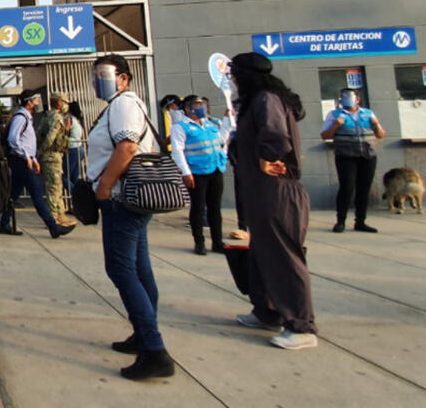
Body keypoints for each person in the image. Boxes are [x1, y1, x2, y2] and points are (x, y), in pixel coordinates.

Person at [86, 55, 174, 380]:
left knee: (121, 269)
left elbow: (127, 147)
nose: (97, 81)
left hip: (123, 198)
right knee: (139, 268)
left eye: (103, 75)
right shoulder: (120, 104)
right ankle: (143, 333)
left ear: (123, 78)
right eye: (94, 76)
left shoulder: (124, 104)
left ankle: (154, 350)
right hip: (129, 198)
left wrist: (104, 188)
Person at [230, 52, 318, 350]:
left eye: (234, 74)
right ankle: (267, 311)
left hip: (276, 189)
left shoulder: (266, 99)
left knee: (283, 257)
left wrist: (268, 158)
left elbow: (276, 136)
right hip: (259, 190)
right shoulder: (257, 101)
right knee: (261, 254)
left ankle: (301, 326)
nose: (231, 80)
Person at [3, 90, 73, 238]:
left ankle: (4, 222)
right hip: (21, 161)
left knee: (14, 194)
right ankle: (53, 227)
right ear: (28, 102)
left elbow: (26, 142)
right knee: (36, 194)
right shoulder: (21, 118)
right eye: (35, 99)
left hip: (24, 160)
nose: (37, 102)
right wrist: (26, 157)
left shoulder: (27, 117)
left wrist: (33, 159)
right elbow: (13, 139)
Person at [170, 95, 233, 255]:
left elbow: (221, 140)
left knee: (215, 208)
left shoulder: (212, 123)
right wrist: (185, 172)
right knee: (198, 208)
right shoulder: (180, 127)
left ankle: (217, 242)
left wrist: (226, 121)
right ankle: (199, 242)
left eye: (202, 104)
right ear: (187, 108)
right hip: (196, 172)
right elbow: (177, 151)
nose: (200, 107)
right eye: (196, 105)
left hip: (215, 169)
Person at [320, 87, 385, 233]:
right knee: (346, 188)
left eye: (350, 97)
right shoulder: (334, 114)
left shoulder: (367, 113)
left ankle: (360, 221)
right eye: (344, 97)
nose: (347, 99)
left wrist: (375, 124)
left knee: (364, 189)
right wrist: (336, 125)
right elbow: (325, 136)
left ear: (358, 99)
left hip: (367, 155)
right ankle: (340, 221)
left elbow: (381, 135)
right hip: (346, 156)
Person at [40, 93, 77, 227]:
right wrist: (42, 151)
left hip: (53, 156)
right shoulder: (57, 118)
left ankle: (61, 214)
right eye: (65, 102)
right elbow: (50, 138)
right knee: (53, 188)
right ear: (60, 103)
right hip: (51, 156)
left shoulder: (47, 116)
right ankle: (53, 218)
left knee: (57, 187)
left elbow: (40, 133)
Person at [65, 101, 85, 194]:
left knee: (63, 176)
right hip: (80, 148)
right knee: (75, 177)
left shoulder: (69, 118)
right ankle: (79, 199)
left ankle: (77, 195)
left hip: (72, 148)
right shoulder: (79, 120)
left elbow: (65, 132)